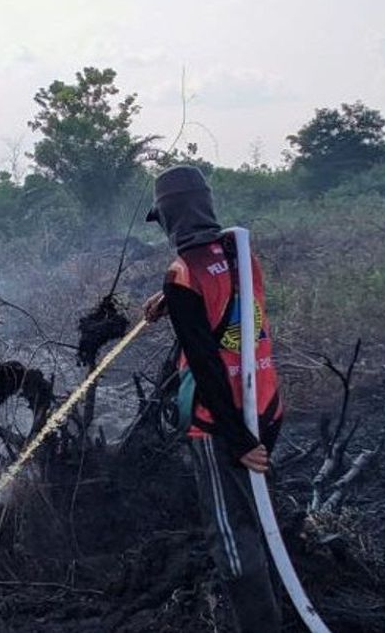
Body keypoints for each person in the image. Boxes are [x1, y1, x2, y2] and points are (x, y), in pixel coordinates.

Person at [142, 165, 284, 632]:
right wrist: (171, 302)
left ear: (167, 217)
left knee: (232, 536)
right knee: (253, 507)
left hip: (219, 423)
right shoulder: (240, 251)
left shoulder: (182, 275)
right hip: (265, 403)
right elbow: (224, 293)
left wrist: (237, 438)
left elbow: (204, 365)